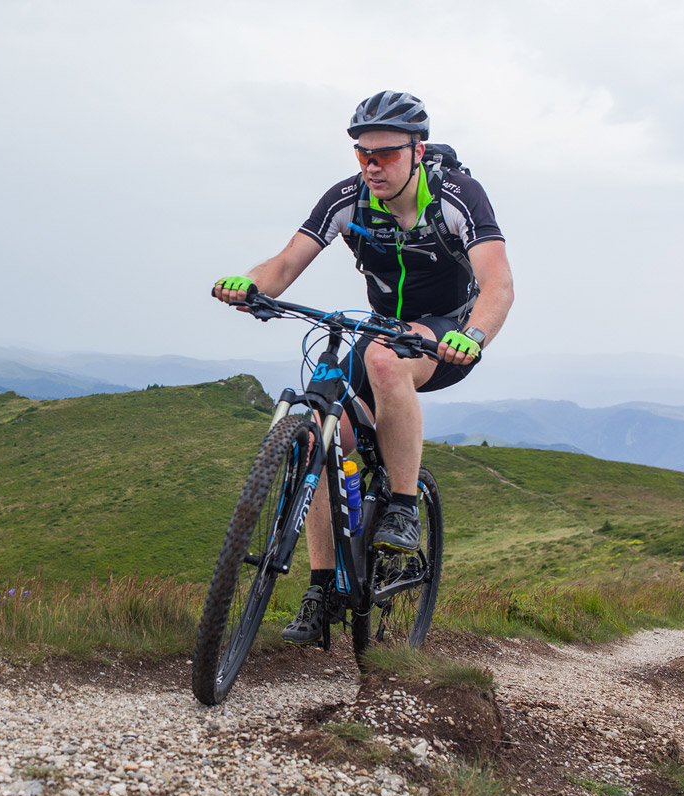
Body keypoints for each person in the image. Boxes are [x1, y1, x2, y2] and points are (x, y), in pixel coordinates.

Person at [212, 90, 514, 644]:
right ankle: (321, 589)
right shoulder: (347, 198)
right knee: (317, 437)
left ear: (417, 151)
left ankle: (403, 506)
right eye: (363, 154)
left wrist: (473, 336)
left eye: (386, 154)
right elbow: (285, 263)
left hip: (447, 333)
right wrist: (249, 284)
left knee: (382, 359)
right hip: (383, 328)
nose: (373, 166)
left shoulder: (457, 196)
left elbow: (498, 282)